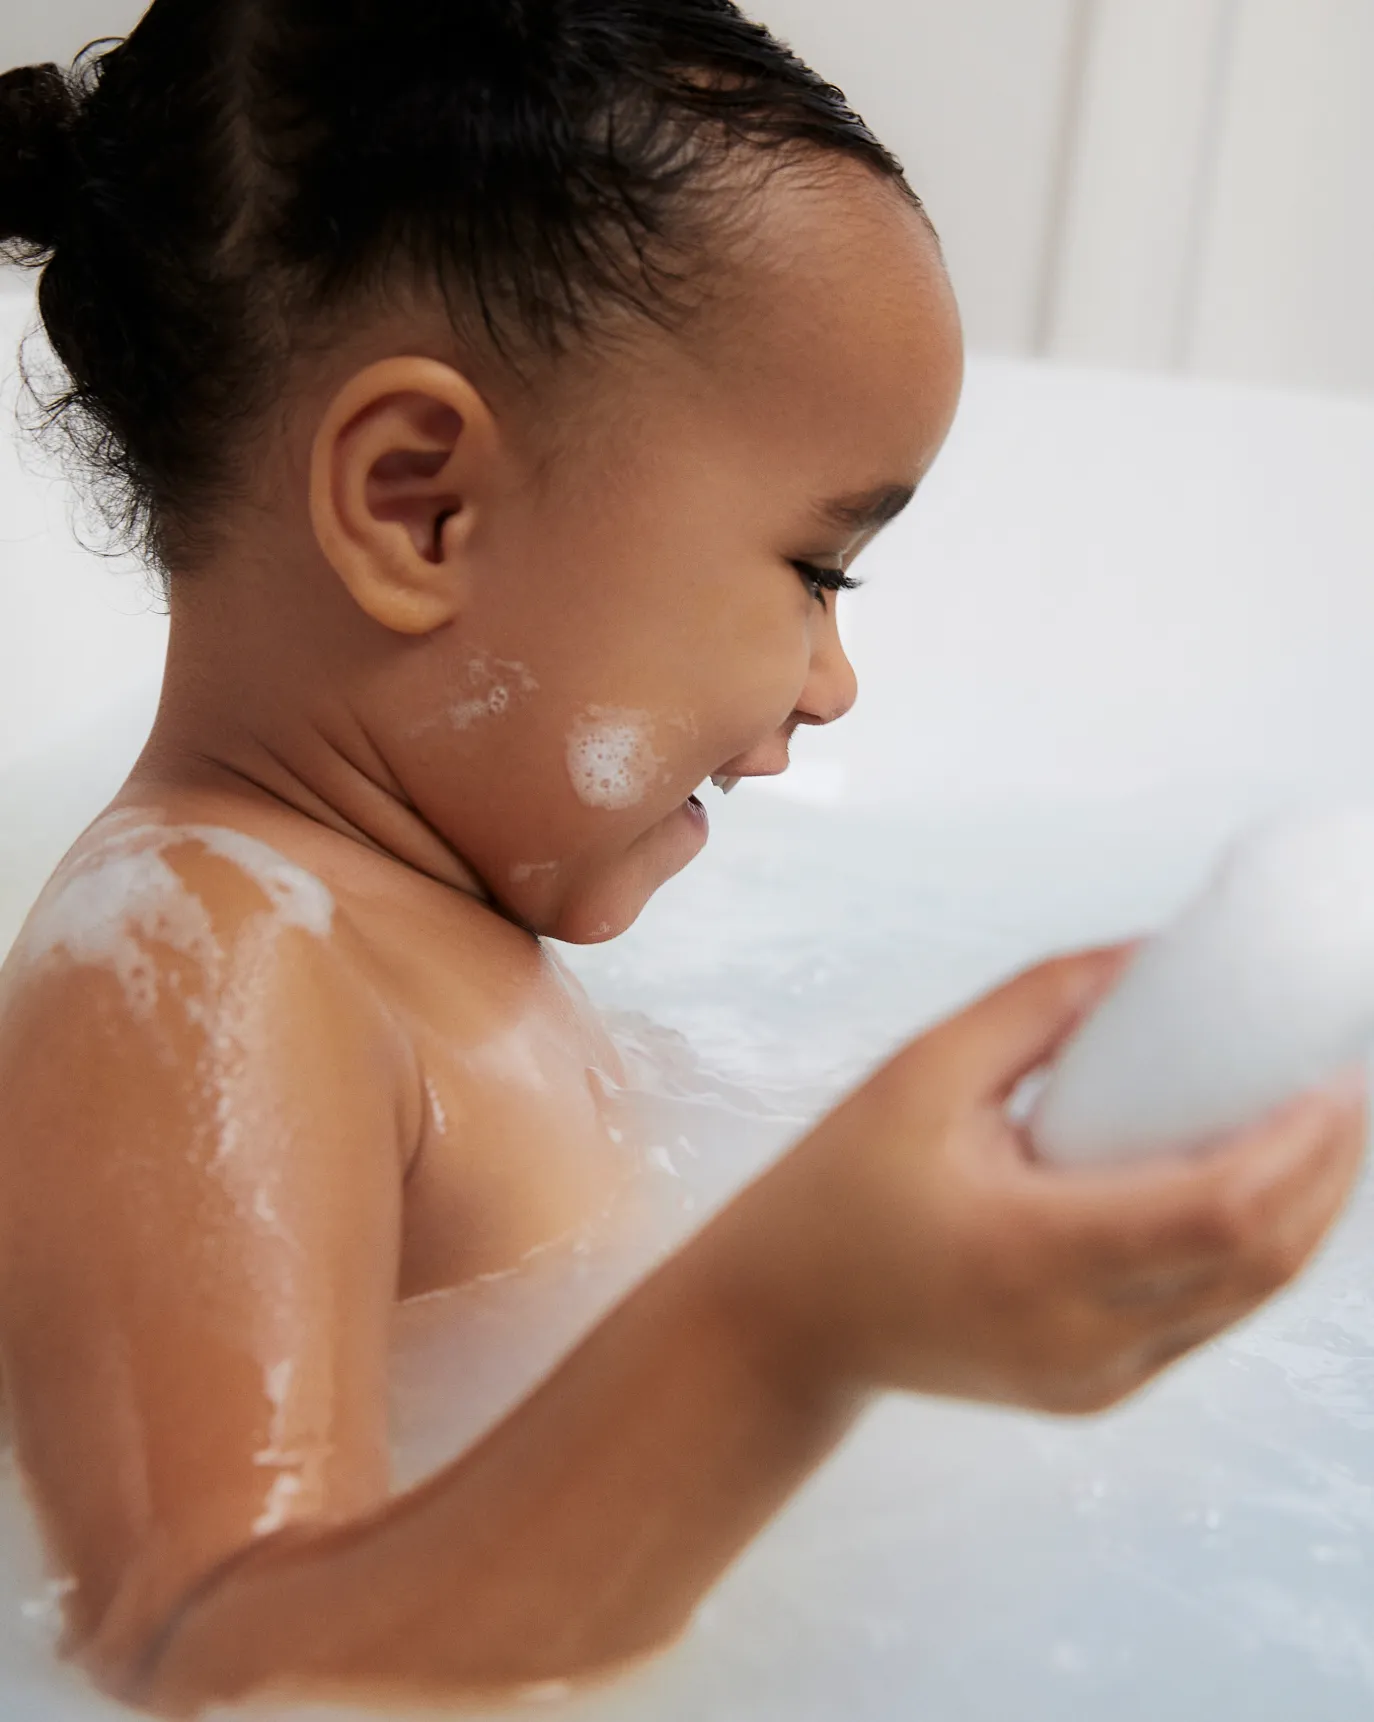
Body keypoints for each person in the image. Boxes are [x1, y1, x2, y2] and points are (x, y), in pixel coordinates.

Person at [0, 3, 1363, 1715]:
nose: (832, 679)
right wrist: (797, 1321)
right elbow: (196, 1660)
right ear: (420, 504)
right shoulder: (199, 969)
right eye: (817, 571)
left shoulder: (381, 921)